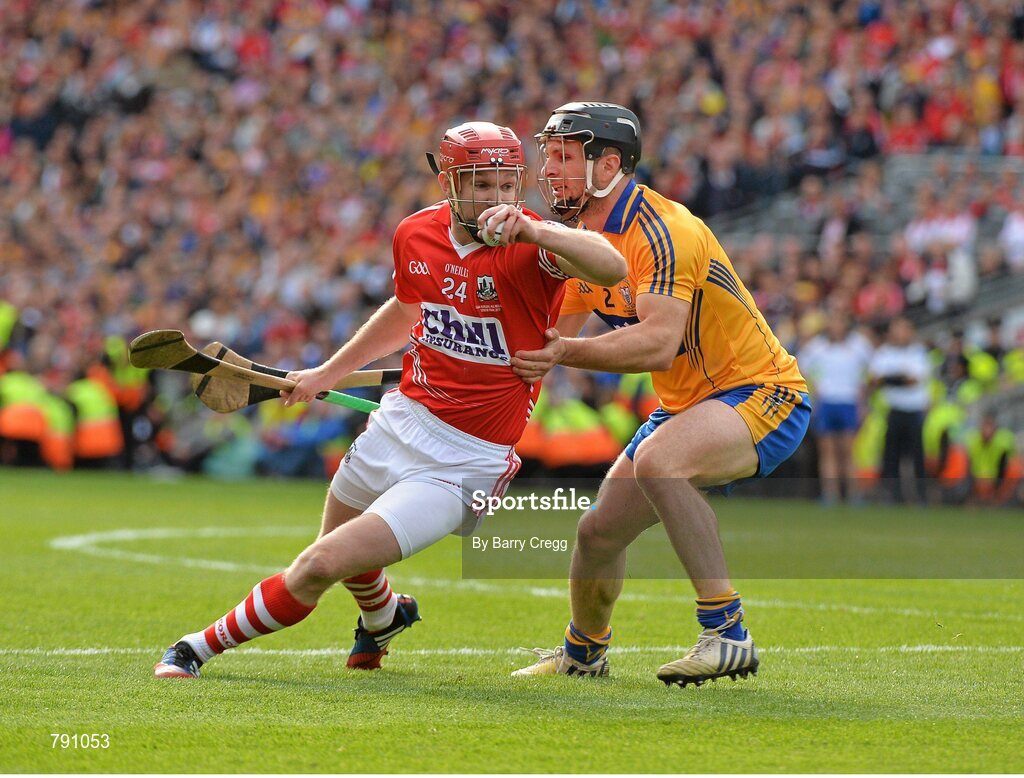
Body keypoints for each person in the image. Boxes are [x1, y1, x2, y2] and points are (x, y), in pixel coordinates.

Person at [153, 121, 626, 678]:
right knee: (345, 552)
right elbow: (407, 310)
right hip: (400, 418)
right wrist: (327, 372)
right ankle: (384, 618)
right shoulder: (415, 233)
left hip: (463, 463)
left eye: (506, 184)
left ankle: (194, 648)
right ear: (449, 182)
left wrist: (537, 232)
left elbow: (610, 265)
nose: (496, 198)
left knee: (320, 564)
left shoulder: (532, 246)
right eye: (480, 183)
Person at [510, 103, 810, 687]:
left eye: (566, 156)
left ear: (610, 164)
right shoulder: (583, 243)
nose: (550, 169)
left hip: (762, 392)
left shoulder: (662, 227)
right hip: (688, 405)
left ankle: (727, 632)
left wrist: (563, 355)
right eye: (550, 155)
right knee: (597, 534)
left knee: (660, 462)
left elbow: (656, 343)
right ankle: (584, 651)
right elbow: (546, 341)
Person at [799, 315, 873, 504]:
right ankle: (830, 493)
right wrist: (815, 392)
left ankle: (853, 494)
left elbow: (869, 372)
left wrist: (862, 399)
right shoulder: (818, 347)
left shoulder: (858, 346)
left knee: (848, 451)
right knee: (828, 451)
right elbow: (802, 368)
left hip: (848, 401)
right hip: (827, 402)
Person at [868, 317, 931, 504]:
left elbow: (913, 380)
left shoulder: (918, 352)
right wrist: (899, 378)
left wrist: (889, 379)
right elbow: (874, 380)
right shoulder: (884, 353)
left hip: (913, 411)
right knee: (890, 455)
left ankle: (920, 495)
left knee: (916, 456)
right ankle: (891, 495)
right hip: (893, 410)